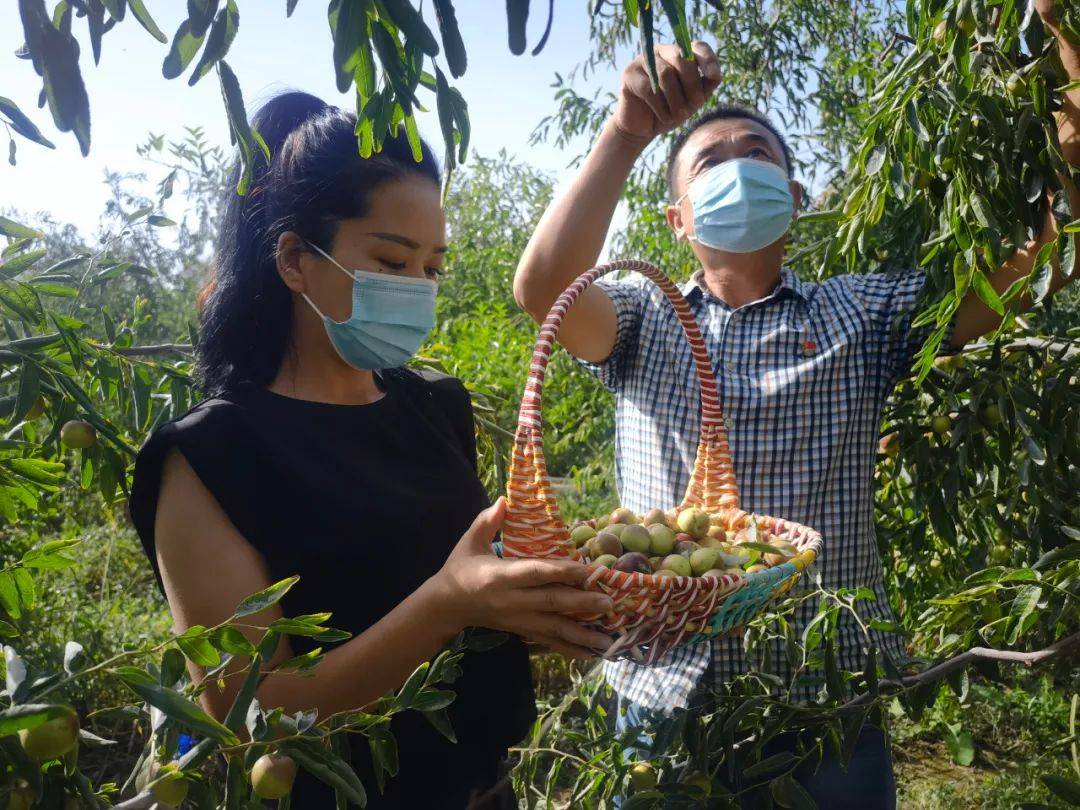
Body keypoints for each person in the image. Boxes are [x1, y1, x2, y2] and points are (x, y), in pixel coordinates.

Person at [513, 8, 1080, 806]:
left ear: (797, 193)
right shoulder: (643, 321)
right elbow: (544, 290)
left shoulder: (861, 314)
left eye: (759, 156)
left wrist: (1069, 171)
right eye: (709, 162)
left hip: (826, 696)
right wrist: (627, 131)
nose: (736, 168)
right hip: (661, 693)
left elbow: (1002, 287)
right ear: (676, 222)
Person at [129, 91, 614, 809]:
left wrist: (539, 613)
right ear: (295, 259)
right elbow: (256, 721)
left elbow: (467, 601)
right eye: (392, 260)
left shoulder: (433, 405)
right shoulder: (208, 459)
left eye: (432, 268)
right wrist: (447, 604)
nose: (417, 289)